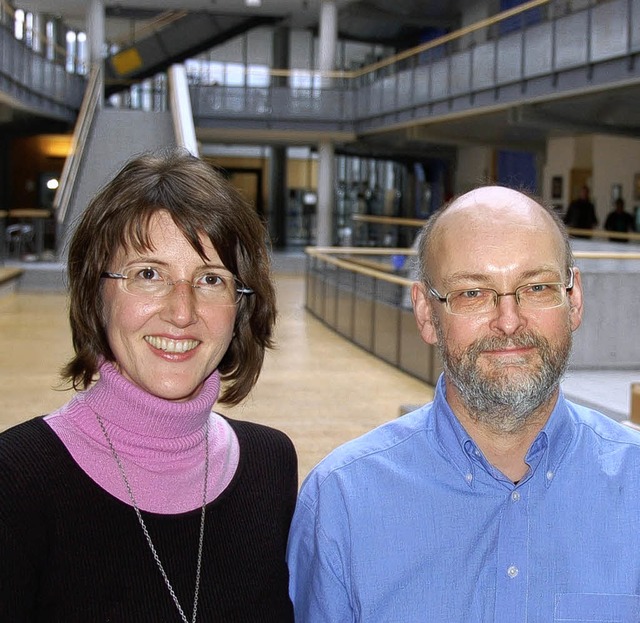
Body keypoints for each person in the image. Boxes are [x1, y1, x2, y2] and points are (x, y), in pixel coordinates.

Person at [287, 185, 640, 622]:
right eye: (472, 293)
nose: (509, 322)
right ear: (425, 315)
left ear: (574, 299)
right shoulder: (340, 503)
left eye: (536, 287)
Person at [0, 149, 297, 622]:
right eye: (148, 274)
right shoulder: (15, 479)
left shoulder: (272, 465)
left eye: (211, 279)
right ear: (96, 294)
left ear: (240, 306)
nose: (182, 312)